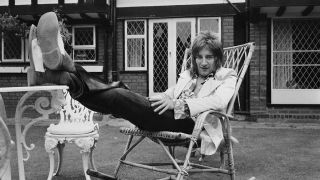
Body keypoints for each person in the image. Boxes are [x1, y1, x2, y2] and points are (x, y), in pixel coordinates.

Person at [28, 12, 237, 155]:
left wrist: (179, 105)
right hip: (165, 114)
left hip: (188, 123)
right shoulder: (189, 75)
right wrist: (166, 96)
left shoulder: (227, 76)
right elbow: (171, 92)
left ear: (217, 59)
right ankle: (58, 75)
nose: (203, 62)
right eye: (199, 57)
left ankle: (63, 68)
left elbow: (219, 100)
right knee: (116, 95)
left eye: (209, 57)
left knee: (118, 95)